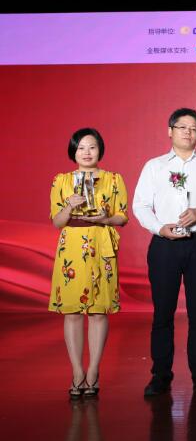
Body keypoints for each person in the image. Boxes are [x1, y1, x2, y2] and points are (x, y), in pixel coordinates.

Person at [133, 108, 196, 396]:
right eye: (182, 127)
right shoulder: (154, 166)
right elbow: (140, 205)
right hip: (165, 245)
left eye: (193, 128)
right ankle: (160, 375)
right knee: (163, 312)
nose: (188, 132)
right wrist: (158, 228)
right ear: (170, 131)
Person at [50, 128, 128, 398]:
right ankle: (76, 372)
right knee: (72, 312)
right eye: (81, 147)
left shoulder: (114, 179)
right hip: (71, 248)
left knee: (98, 311)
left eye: (92, 147)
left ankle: (93, 370)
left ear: (100, 150)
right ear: (73, 151)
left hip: (101, 244)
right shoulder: (61, 181)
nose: (86, 152)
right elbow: (57, 222)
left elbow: (122, 217)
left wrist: (106, 218)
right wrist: (69, 206)